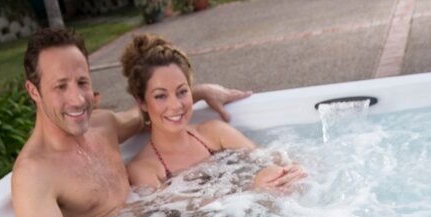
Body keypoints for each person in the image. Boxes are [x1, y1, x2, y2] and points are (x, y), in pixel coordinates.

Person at [11, 28, 251, 217]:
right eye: (61, 86)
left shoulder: (104, 126)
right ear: (34, 91)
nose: (78, 99)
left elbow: (150, 111)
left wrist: (200, 92)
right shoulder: (33, 173)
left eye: (82, 82)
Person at [120, 33, 306, 191]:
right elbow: (184, 210)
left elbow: (269, 157)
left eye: (182, 92)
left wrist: (293, 169)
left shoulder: (215, 133)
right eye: (160, 96)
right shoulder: (143, 170)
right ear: (142, 102)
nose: (176, 105)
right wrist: (253, 187)